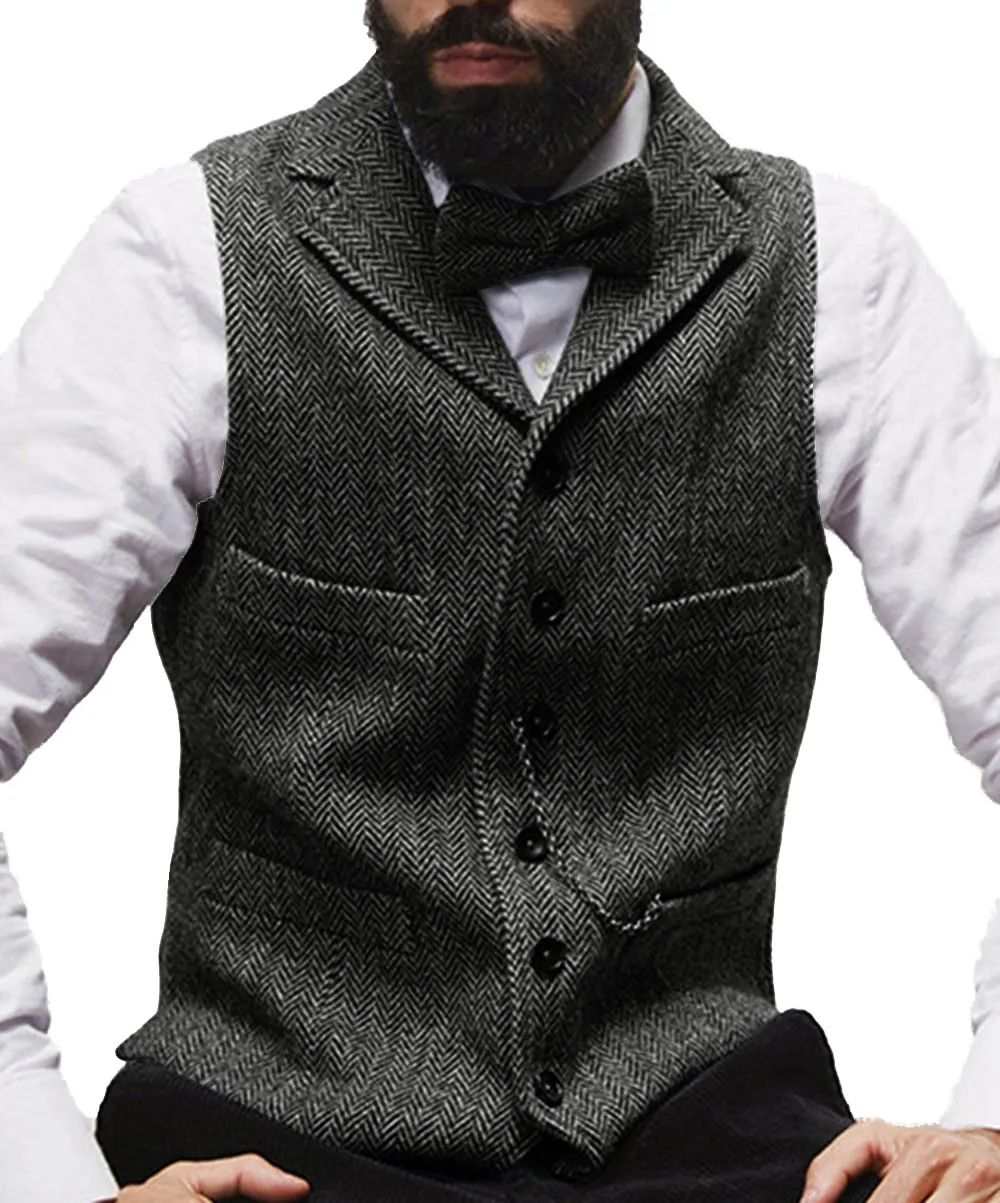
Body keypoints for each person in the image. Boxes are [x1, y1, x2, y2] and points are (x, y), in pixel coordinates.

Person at [3, 2, 1000, 1201]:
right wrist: (44, 1180)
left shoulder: (837, 269)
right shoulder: (184, 256)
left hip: (706, 1131)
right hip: (264, 1140)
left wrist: (992, 1122)